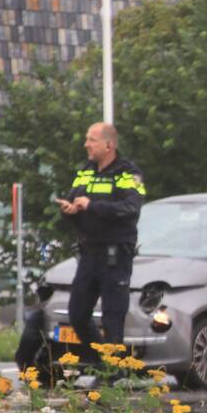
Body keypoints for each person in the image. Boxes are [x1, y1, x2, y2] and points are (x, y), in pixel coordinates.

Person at [56, 122, 146, 363]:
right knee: (77, 314)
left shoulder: (128, 173)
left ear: (109, 145)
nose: (86, 144)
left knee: (113, 318)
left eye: (91, 140)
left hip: (115, 256)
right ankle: (101, 361)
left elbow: (130, 208)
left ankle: (112, 373)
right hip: (89, 254)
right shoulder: (85, 170)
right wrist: (69, 209)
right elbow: (74, 199)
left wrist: (92, 206)